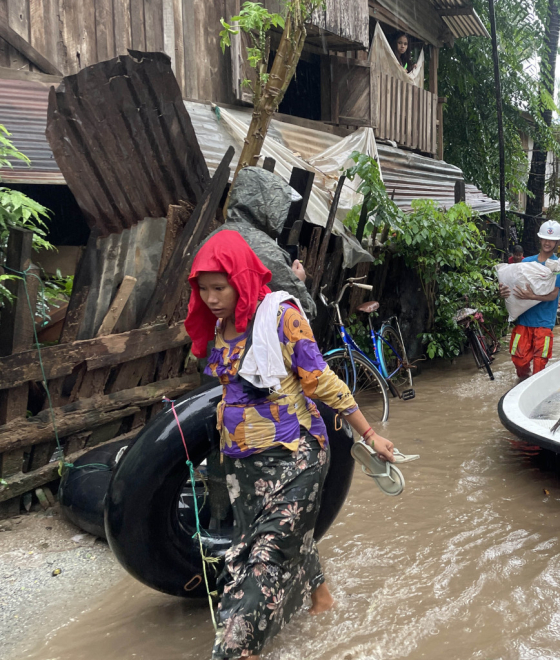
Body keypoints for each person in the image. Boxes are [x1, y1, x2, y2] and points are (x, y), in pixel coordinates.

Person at [185, 230, 395, 660]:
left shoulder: (280, 317)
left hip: (295, 455)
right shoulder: (222, 325)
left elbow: (320, 380)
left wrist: (369, 433)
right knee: (269, 538)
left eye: (219, 287)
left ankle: (239, 649)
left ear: (241, 280)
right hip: (242, 462)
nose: (210, 298)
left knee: (264, 556)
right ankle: (321, 599)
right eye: (203, 289)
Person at [201, 166, 317, 318]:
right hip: (251, 339)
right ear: (270, 205)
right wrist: (299, 281)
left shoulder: (209, 240)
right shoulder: (265, 251)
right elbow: (305, 310)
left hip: (214, 338)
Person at [499, 220, 560, 379]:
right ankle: (522, 383)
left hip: (543, 322)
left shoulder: (559, 267)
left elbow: (553, 295)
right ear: (540, 239)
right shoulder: (526, 262)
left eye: (551, 240)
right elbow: (513, 286)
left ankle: (534, 390)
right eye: (544, 239)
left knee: (540, 363)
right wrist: (503, 292)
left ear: (557, 242)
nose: (547, 243)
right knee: (519, 360)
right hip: (524, 320)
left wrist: (532, 296)